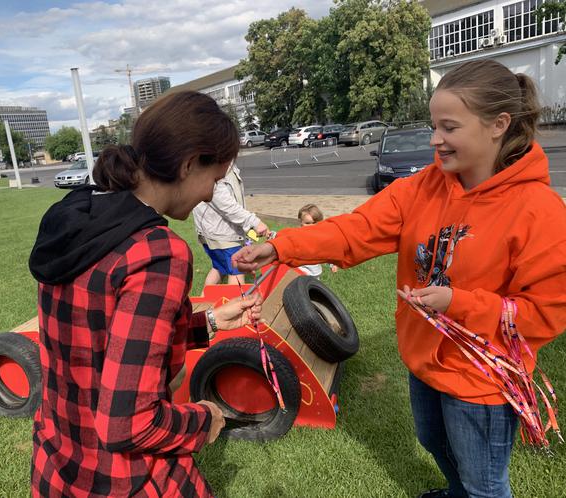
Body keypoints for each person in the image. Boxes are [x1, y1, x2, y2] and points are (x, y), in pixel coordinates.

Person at [232, 59, 566, 498]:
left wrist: (458, 303)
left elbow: (546, 312)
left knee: (484, 482)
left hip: (481, 378)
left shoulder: (538, 210)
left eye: (449, 127)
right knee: (435, 443)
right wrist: (281, 247)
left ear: (498, 124)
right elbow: (356, 229)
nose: (435, 140)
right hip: (424, 359)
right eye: (434, 125)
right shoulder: (425, 186)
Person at [28, 90, 263, 498]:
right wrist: (205, 419)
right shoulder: (156, 252)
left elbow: (97, 335)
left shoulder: (78, 217)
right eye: (215, 179)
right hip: (126, 479)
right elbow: (128, 424)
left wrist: (204, 323)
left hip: (59, 462)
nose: (210, 194)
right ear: (189, 164)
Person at [192, 161, 268, 286]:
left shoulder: (225, 162)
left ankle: (204, 302)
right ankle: (236, 303)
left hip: (215, 231)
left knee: (219, 268)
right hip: (222, 234)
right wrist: (254, 222)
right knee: (237, 271)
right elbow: (227, 206)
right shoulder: (213, 166)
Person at [296, 203, 338, 278]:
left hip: (315, 274)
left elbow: (326, 253)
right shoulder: (297, 236)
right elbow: (284, 240)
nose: (311, 225)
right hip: (300, 273)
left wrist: (332, 264)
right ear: (300, 222)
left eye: (314, 223)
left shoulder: (319, 238)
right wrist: (272, 235)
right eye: (307, 223)